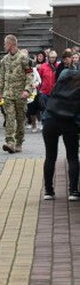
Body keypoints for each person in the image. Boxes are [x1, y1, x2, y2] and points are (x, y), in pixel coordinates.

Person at [42, 67, 80, 200]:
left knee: (50, 156)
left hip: (50, 119)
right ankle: (73, 192)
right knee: (73, 157)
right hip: (69, 122)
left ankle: (48, 191)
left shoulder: (63, 76)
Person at [0, 35, 35, 153]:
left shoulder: (24, 58)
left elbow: (30, 75)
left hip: (20, 94)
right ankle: (10, 142)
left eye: (5, 43)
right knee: (9, 117)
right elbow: (2, 77)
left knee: (20, 119)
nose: (4, 46)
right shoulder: (4, 60)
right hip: (8, 94)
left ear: (11, 44)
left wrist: (27, 90)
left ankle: (19, 142)